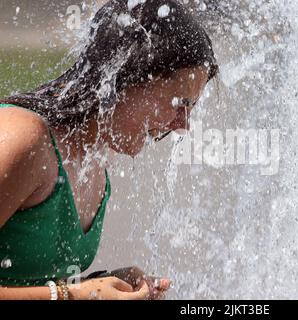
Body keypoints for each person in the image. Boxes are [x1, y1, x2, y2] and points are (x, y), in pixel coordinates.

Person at [0, 0, 218, 300]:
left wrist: (104, 283)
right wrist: (71, 295)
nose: (183, 125)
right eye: (180, 103)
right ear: (129, 74)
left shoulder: (95, 164)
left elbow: (30, 279)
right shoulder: (23, 139)